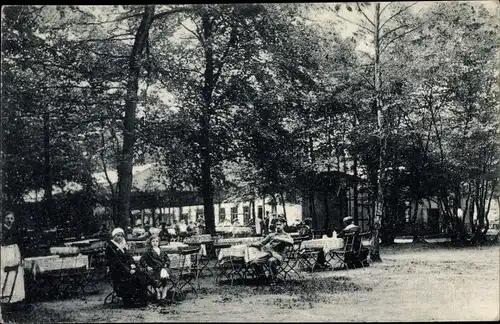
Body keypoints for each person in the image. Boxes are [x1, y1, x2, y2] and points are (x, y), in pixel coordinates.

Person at [105, 227, 154, 308]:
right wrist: (128, 270)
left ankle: (143, 298)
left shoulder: (122, 245)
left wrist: (132, 264)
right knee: (135, 277)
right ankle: (132, 300)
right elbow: (117, 262)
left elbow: (129, 257)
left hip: (127, 269)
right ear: (114, 236)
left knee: (141, 275)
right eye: (118, 235)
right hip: (118, 272)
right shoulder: (110, 247)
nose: (120, 237)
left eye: (121, 235)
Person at [248, 217, 293, 285]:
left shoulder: (286, 235)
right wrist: (251, 244)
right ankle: (263, 277)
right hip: (268, 254)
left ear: (284, 225)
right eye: (277, 224)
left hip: (278, 256)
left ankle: (273, 279)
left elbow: (291, 241)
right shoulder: (271, 235)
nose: (278, 226)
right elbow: (261, 243)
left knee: (271, 261)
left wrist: (280, 238)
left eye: (280, 224)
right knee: (255, 262)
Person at [1, 211, 25, 304]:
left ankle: (15, 296)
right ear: (4, 219)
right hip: (4, 251)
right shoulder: (2, 230)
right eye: (7, 218)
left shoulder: (16, 230)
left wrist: (22, 257)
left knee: (15, 272)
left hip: (15, 251)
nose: (9, 220)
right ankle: (3, 295)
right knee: (3, 272)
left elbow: (20, 243)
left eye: (11, 218)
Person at [139, 235, 171, 302]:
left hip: (163, 268)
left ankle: (164, 291)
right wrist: (147, 266)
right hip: (154, 269)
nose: (155, 243)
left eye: (157, 241)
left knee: (164, 274)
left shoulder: (162, 250)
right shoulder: (148, 251)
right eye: (153, 241)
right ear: (150, 242)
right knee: (154, 276)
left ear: (159, 242)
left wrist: (166, 263)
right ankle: (158, 290)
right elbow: (142, 260)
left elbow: (167, 259)